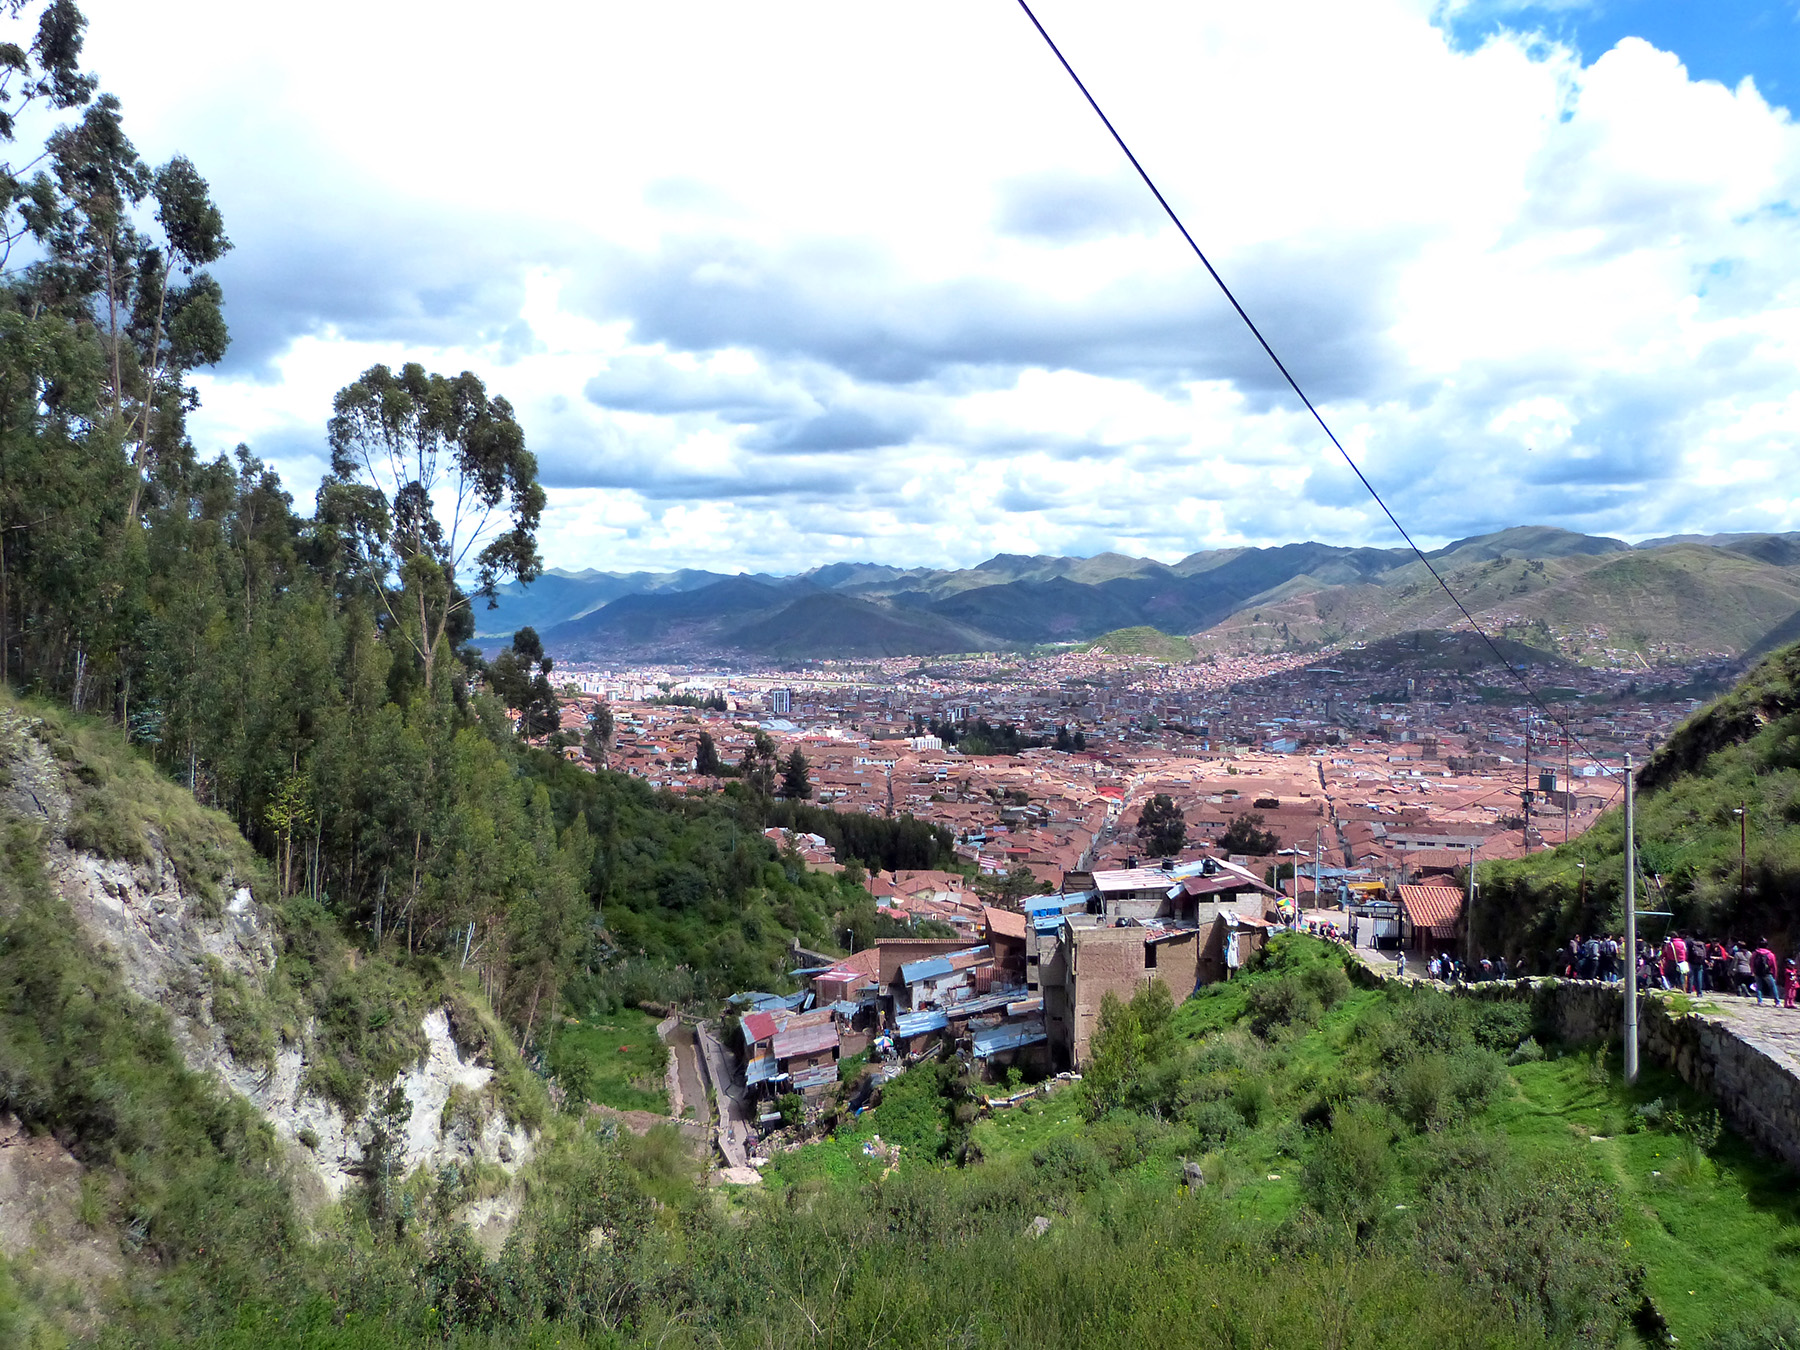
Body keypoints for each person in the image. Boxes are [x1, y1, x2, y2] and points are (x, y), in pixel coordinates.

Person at [1754, 939, 1780, 1006]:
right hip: (1767, 973)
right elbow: (1774, 966)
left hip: (1757, 972)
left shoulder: (1755, 953)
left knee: (1759, 987)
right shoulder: (1770, 954)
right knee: (1773, 986)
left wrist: (1753, 971)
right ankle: (1777, 1002)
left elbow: (1751, 962)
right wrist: (1775, 976)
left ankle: (1760, 1001)